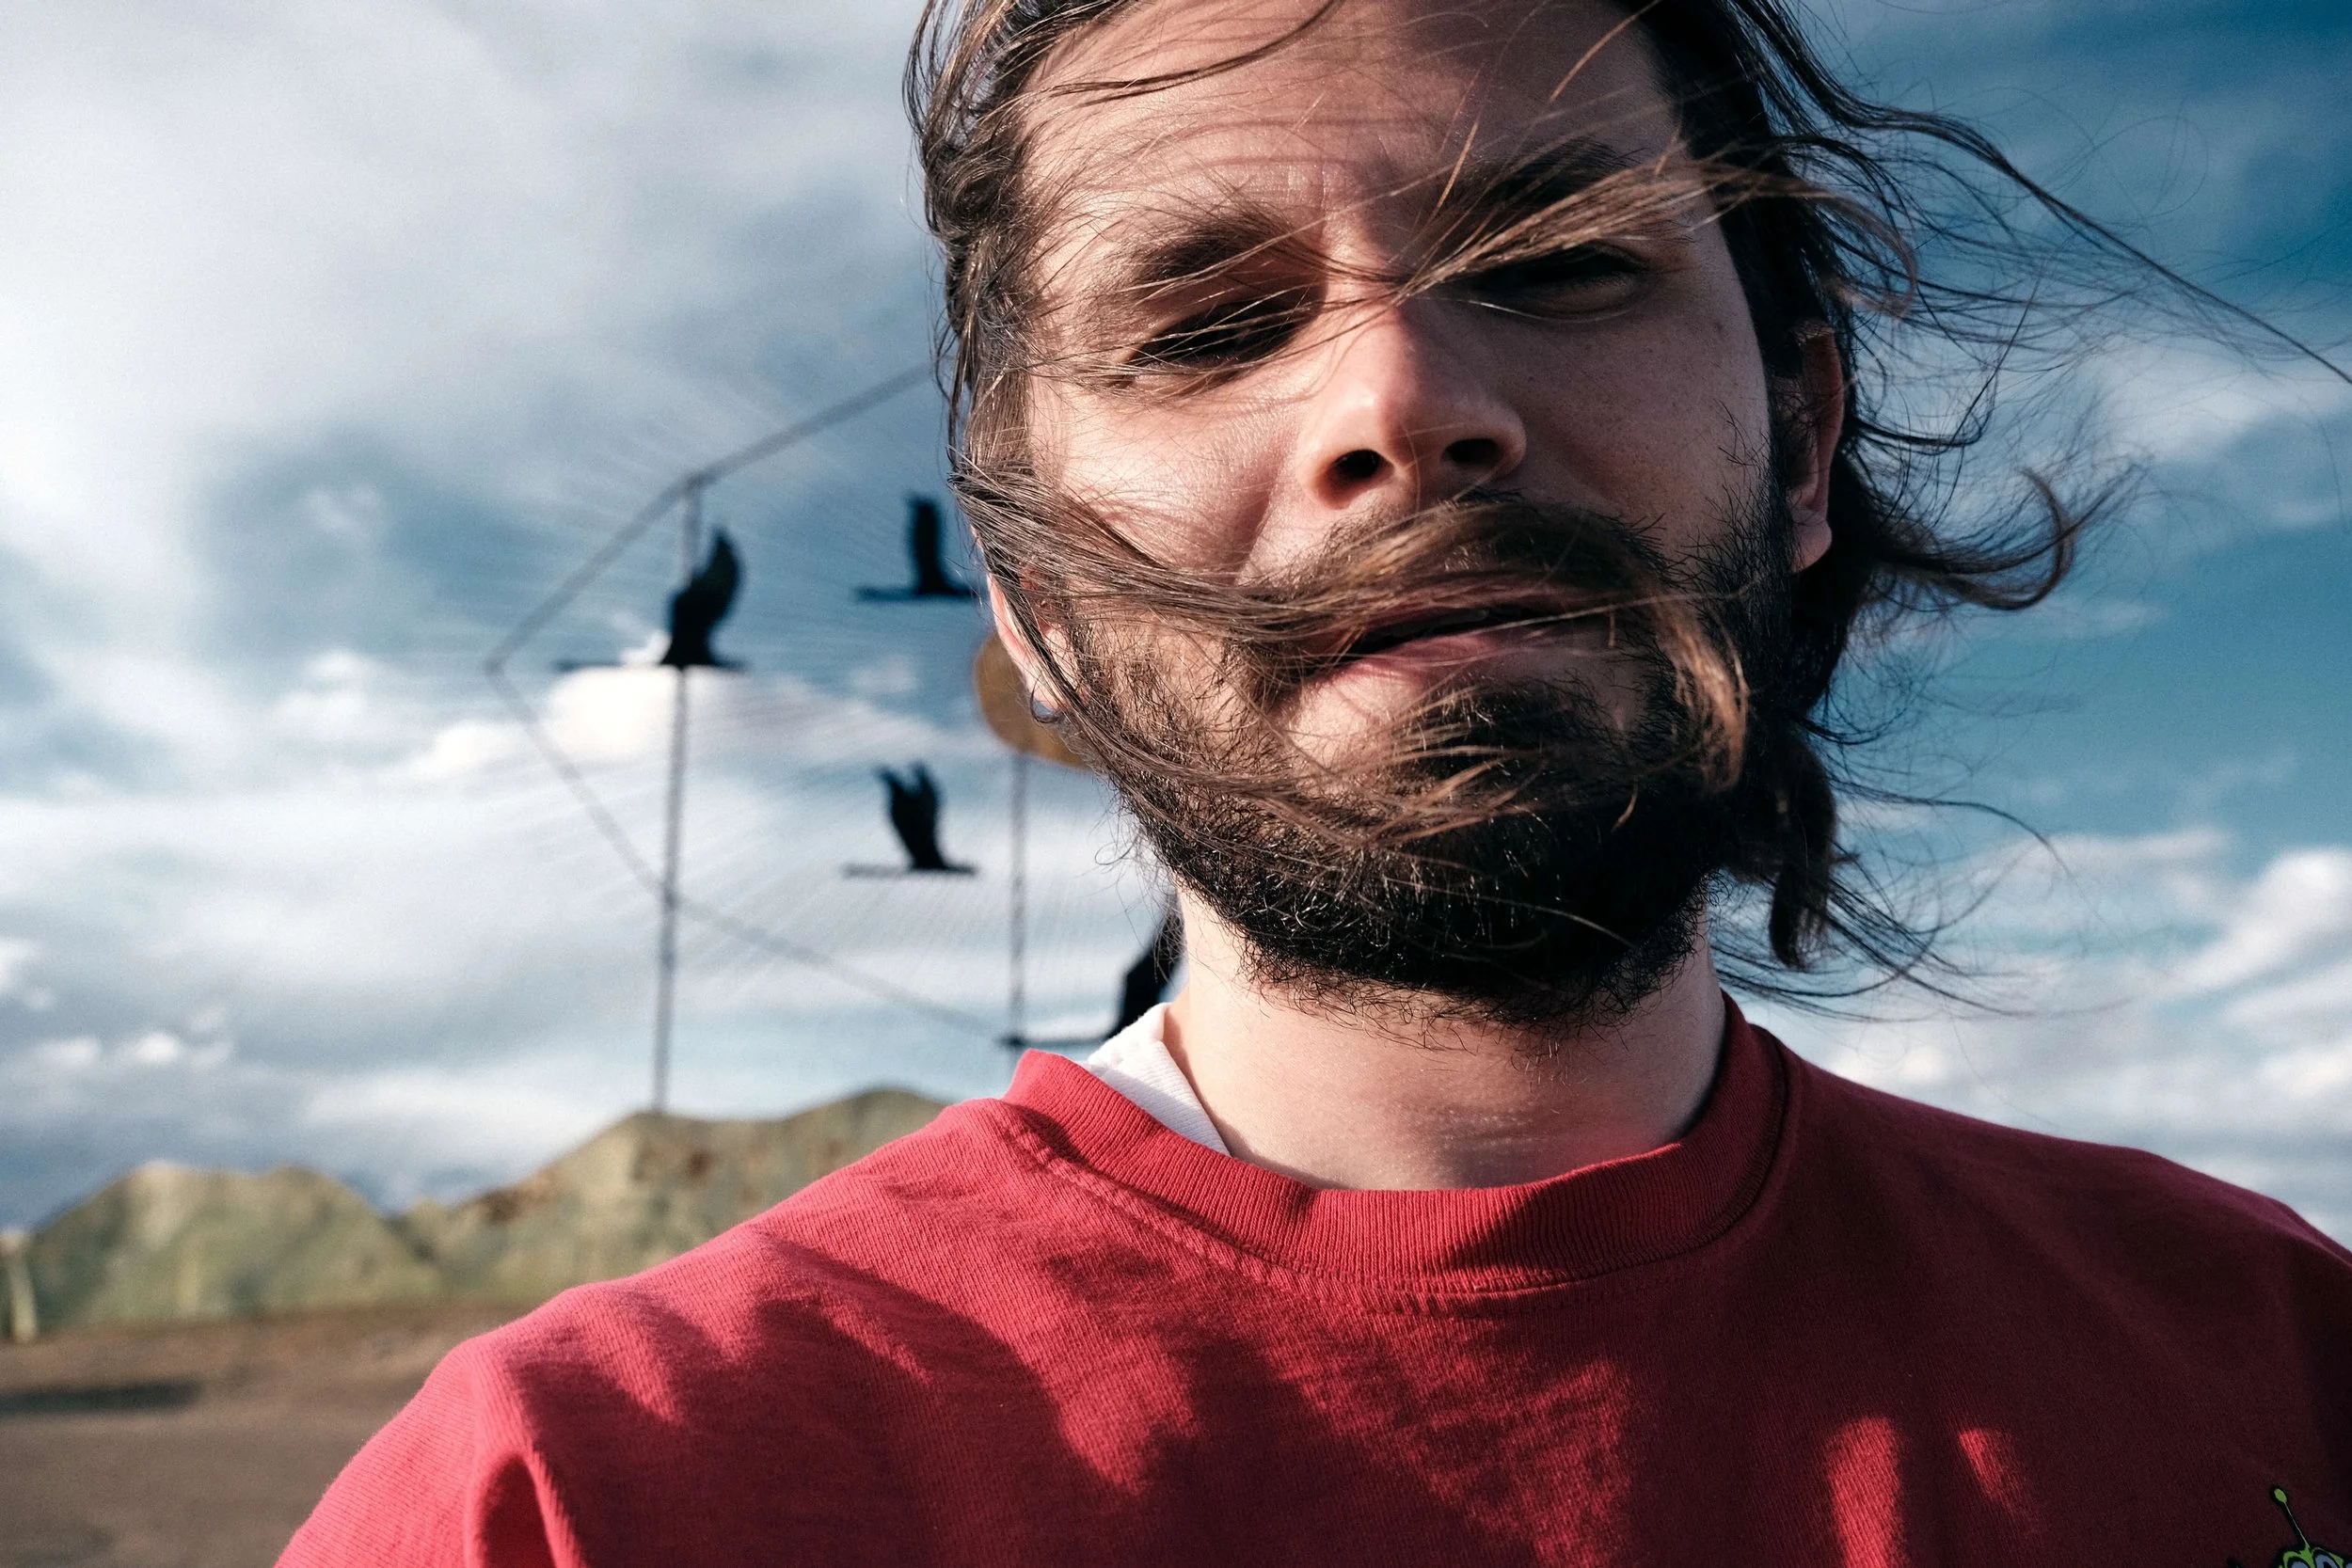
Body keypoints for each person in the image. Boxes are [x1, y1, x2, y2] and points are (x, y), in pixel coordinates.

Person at [280, 0, 2352, 1561]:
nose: (1406, 399)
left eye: (1557, 260)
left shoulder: (2270, 1354)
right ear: (1041, 608)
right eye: (1204, 327)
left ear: (1803, 440)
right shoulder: (580, 1495)